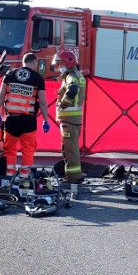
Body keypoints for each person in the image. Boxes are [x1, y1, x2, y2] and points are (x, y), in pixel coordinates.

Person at [0, 53, 51, 177]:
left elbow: (1, 96)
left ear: (23, 62)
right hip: (29, 121)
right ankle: (24, 178)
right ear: (34, 63)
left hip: (12, 119)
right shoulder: (37, 78)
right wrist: (46, 120)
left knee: (9, 150)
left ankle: (9, 176)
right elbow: (43, 102)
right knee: (28, 150)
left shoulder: (10, 75)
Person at [53, 50, 87, 183]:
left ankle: (74, 178)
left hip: (70, 121)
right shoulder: (78, 75)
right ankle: (72, 176)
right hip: (73, 120)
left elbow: (72, 89)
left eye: (60, 63)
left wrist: (63, 103)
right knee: (70, 149)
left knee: (70, 152)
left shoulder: (71, 76)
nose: (58, 67)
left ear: (67, 63)